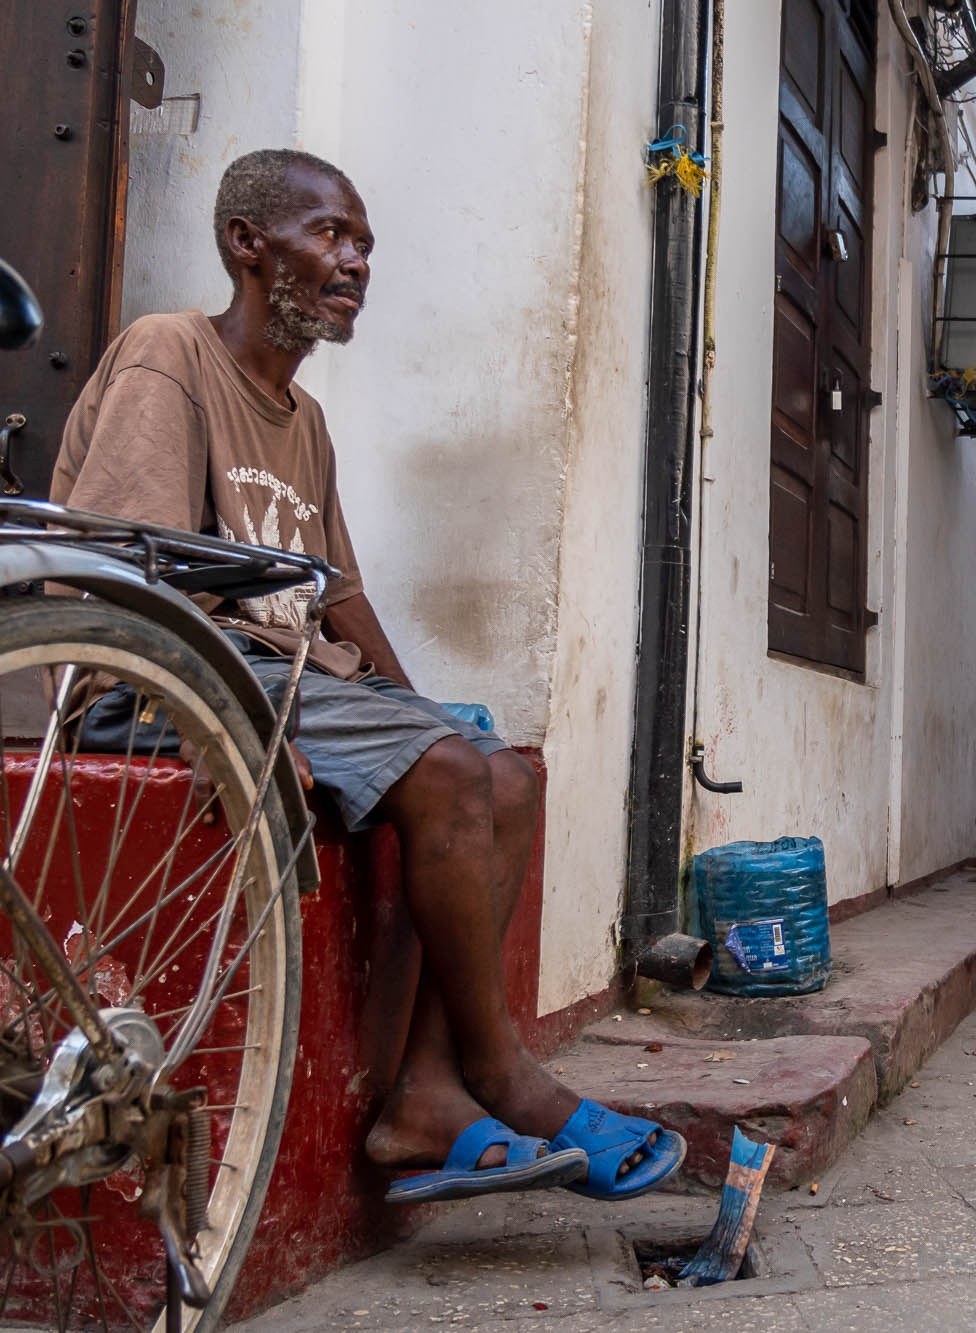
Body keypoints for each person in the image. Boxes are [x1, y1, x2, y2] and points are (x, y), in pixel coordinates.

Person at [51, 149, 682, 1206]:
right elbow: (137, 572)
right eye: (331, 236)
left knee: (502, 772)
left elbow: (336, 596)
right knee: (443, 769)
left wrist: (417, 708)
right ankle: (502, 1070)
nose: (355, 263)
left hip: (294, 677)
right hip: (165, 676)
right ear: (249, 244)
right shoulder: (171, 353)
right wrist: (240, 724)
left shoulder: (306, 424)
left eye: (364, 246)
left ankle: (427, 1093)